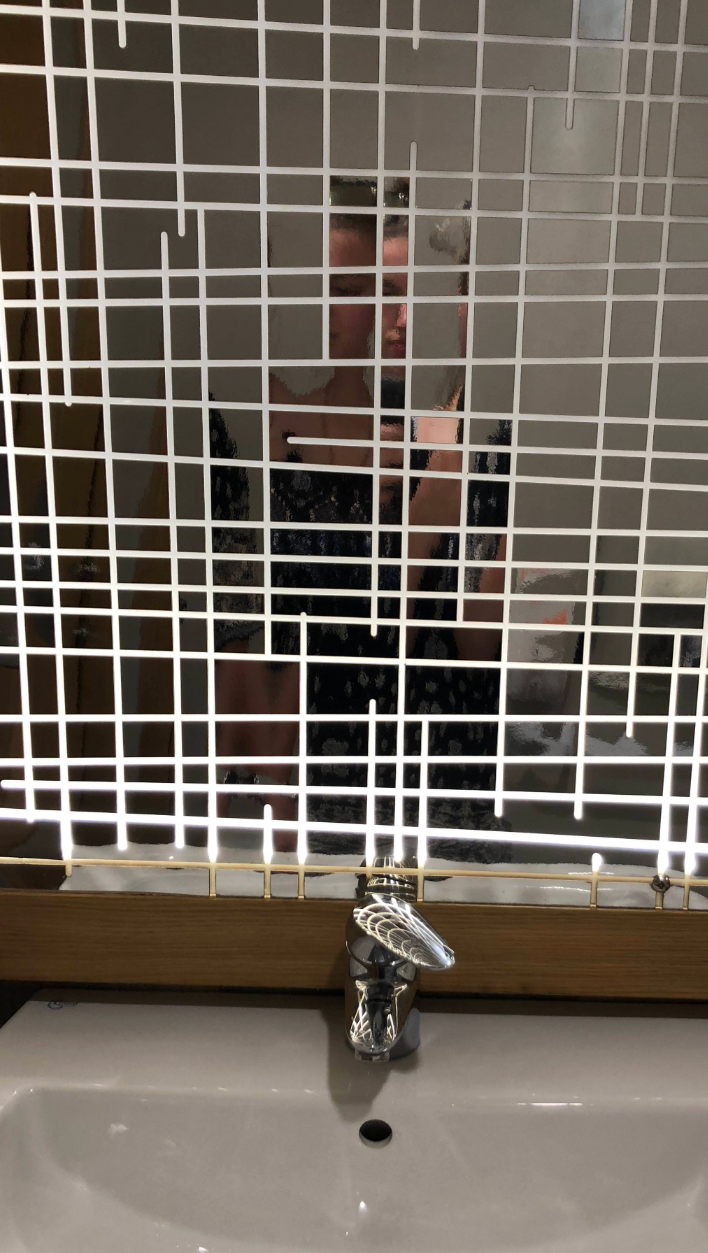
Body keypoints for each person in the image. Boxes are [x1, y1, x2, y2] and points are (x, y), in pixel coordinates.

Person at [210, 179, 509, 854]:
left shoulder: (490, 444)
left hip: (441, 793)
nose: (400, 320)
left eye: (435, 296)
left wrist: (445, 473)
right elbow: (238, 649)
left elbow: (484, 650)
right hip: (292, 797)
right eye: (374, 292)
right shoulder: (262, 433)